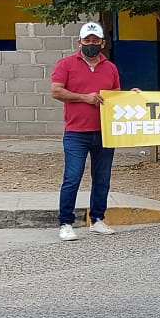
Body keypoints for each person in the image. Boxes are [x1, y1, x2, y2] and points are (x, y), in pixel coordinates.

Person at [50, 21, 121, 241]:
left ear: (102, 43)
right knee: (72, 178)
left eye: (95, 40)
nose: (91, 44)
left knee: (102, 178)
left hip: (104, 132)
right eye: (87, 40)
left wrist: (133, 96)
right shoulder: (66, 64)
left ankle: (97, 219)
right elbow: (56, 91)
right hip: (76, 133)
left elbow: (116, 95)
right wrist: (84, 97)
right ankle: (66, 223)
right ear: (79, 42)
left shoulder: (110, 68)